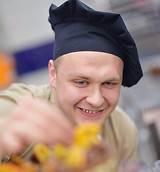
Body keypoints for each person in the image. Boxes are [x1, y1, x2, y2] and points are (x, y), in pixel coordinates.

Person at [0, 0, 143, 162]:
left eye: (109, 83)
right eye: (81, 82)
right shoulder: (20, 108)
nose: (96, 100)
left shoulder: (122, 131)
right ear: (53, 74)